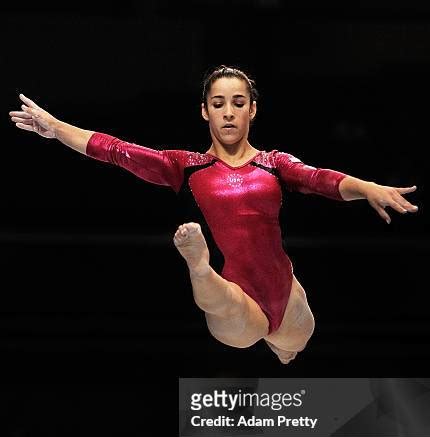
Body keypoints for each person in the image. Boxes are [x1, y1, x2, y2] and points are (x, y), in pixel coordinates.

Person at [9, 65, 419, 365]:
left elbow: (320, 179)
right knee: (228, 303)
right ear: (204, 111)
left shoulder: (275, 164)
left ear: (252, 110)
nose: (228, 112)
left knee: (294, 341)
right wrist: (56, 127)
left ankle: (280, 343)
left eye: (238, 103)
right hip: (237, 301)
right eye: (218, 103)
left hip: (286, 299)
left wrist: (367, 188)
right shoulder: (188, 166)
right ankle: (199, 266)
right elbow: (117, 151)